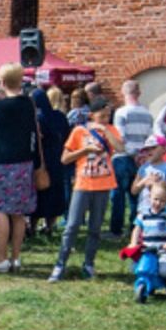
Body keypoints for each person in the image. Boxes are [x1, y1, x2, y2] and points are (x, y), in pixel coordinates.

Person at [0, 62, 40, 273]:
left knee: (1, 209)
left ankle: (1, 257)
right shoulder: (28, 104)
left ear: (2, 82)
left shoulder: (1, 106)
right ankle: (16, 257)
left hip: (2, 162)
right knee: (19, 213)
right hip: (25, 162)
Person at [51, 101, 121, 282]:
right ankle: (60, 264)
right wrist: (85, 150)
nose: (105, 119)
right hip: (83, 183)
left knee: (95, 228)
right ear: (92, 115)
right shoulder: (79, 131)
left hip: (104, 184)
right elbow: (65, 158)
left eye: (108, 116)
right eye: (102, 116)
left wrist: (105, 131)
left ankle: (89, 263)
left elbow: (120, 148)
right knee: (72, 226)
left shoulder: (111, 130)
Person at [111, 79, 155, 237]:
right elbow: (150, 138)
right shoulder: (147, 113)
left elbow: (121, 137)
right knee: (135, 195)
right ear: (139, 93)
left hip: (123, 157)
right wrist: (141, 154)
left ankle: (116, 229)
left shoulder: (121, 113)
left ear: (123, 92)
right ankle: (135, 226)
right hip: (140, 159)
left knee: (118, 195)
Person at [128, 182, 166, 302]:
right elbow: (137, 229)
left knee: (164, 270)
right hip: (147, 248)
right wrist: (134, 242)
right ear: (149, 197)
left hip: (163, 249)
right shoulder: (143, 215)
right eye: (155, 199)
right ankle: (146, 284)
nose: (158, 203)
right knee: (141, 267)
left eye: (162, 201)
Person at [32, 87, 72, 236]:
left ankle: (33, 226)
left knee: (39, 192)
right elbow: (67, 135)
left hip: (41, 159)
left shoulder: (37, 118)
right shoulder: (60, 116)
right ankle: (49, 225)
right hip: (58, 157)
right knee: (55, 192)